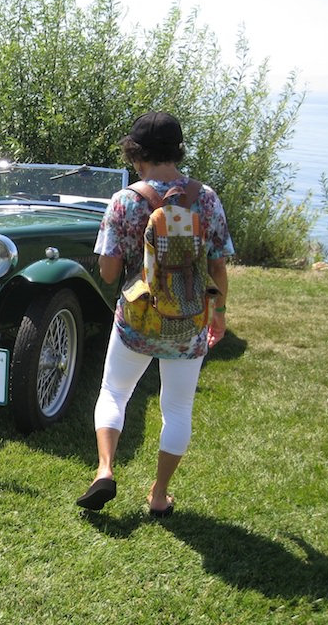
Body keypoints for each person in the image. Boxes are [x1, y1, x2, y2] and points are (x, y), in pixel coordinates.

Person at [76, 112, 234, 515]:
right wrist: (220, 312)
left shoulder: (125, 201)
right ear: (177, 149)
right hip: (189, 319)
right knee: (177, 408)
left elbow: (110, 273)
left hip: (138, 319)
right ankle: (159, 494)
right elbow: (218, 266)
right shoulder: (206, 198)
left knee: (114, 392)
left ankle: (105, 470)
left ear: (136, 152)